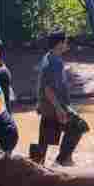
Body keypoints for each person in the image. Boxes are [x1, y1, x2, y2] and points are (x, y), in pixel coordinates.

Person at [31, 30, 88, 166]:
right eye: (66, 41)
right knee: (79, 126)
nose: (68, 44)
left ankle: (36, 164)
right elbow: (48, 89)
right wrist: (59, 109)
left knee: (44, 138)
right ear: (60, 43)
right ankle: (62, 160)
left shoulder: (49, 57)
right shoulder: (54, 62)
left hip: (47, 105)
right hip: (55, 105)